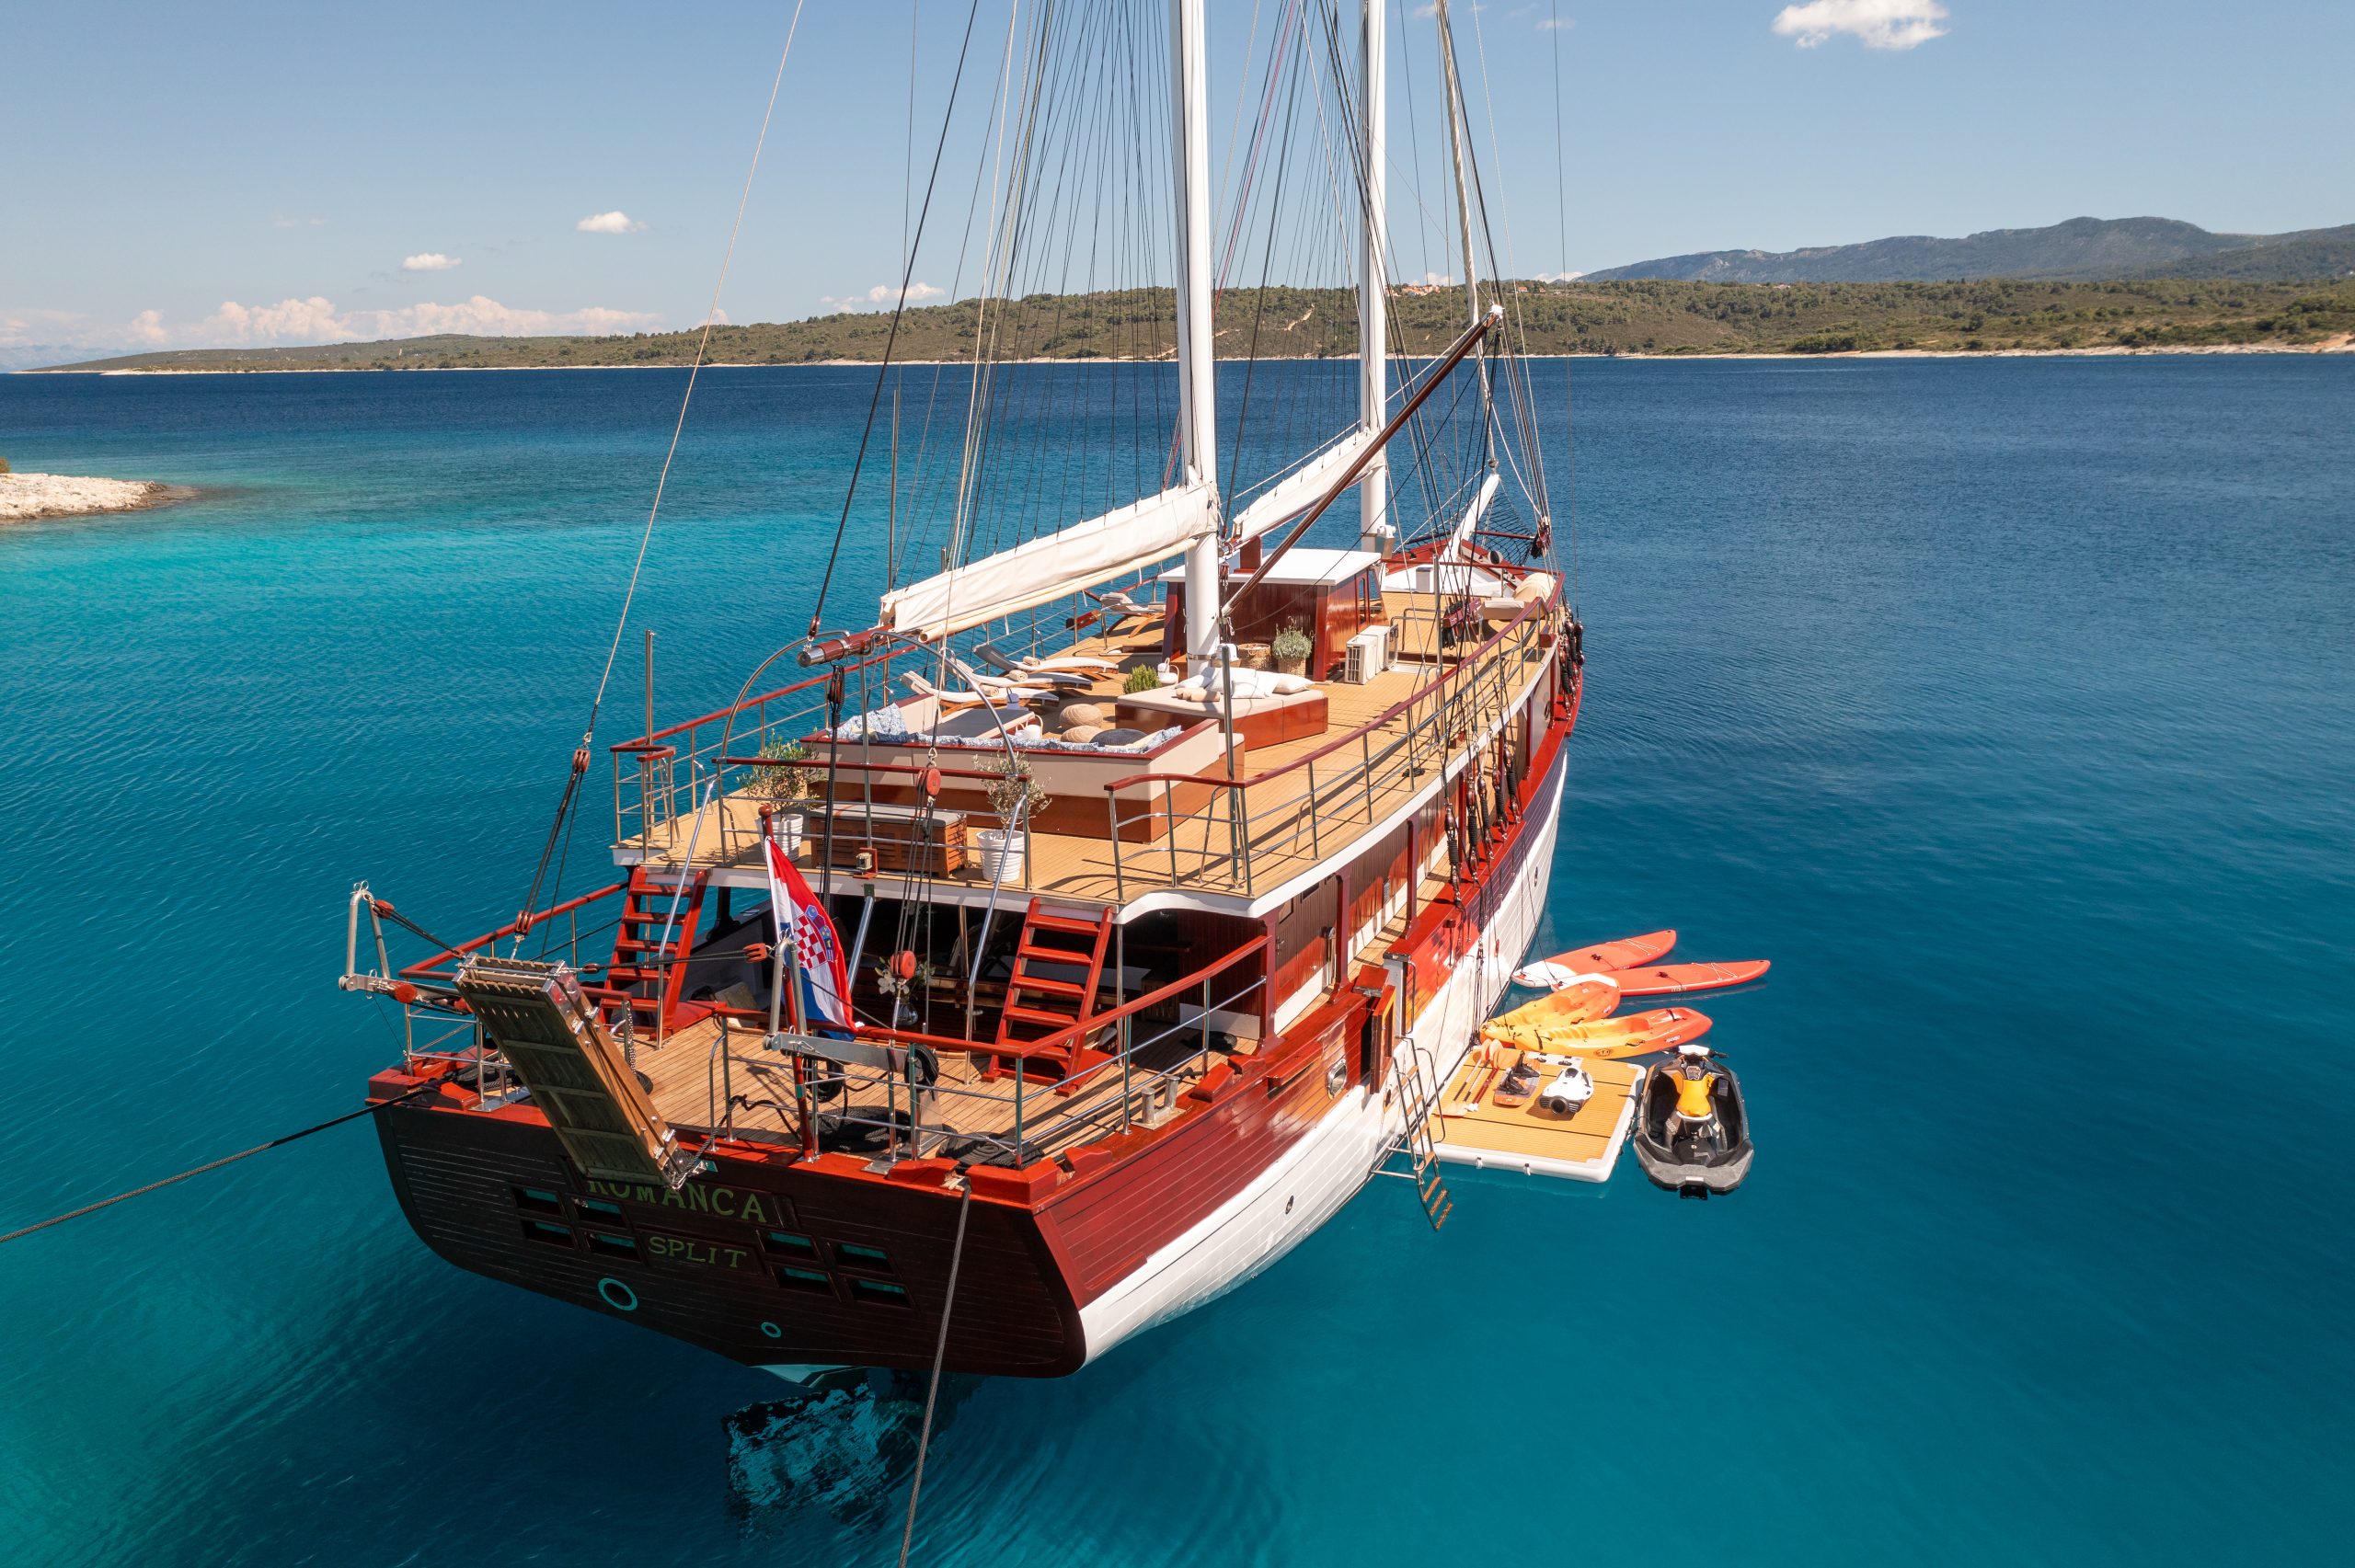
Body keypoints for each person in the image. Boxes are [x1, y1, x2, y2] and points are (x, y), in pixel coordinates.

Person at [1660, 1045, 1722, 1153]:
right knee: (1717, 1129)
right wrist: (1717, 1054)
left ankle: (1666, 1149)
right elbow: (1710, 1088)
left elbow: (1665, 1073)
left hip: (1683, 1109)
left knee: (1668, 1128)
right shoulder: (1709, 1075)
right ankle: (1721, 1149)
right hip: (1704, 1112)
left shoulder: (1677, 1073)